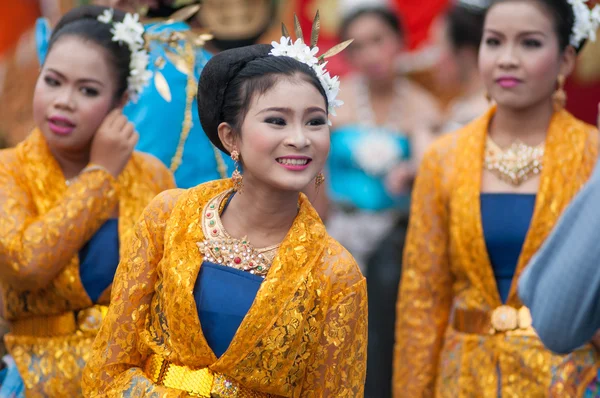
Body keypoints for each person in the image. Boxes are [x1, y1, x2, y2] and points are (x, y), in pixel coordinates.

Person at [82, 19, 367, 397]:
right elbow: (110, 364)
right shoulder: (168, 216)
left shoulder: (335, 274)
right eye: (277, 120)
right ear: (230, 136)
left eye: (315, 121)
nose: (299, 138)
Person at [392, 0, 600, 395]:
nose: (507, 59)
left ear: (566, 60)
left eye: (530, 43)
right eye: (494, 42)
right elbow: (423, 297)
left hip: (571, 379)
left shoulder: (594, 154)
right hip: (465, 379)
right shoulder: (444, 157)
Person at [0, 5, 175, 396]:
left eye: (88, 90)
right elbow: (26, 264)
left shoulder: (151, 176)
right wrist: (100, 175)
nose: (64, 101)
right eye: (53, 81)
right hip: (36, 381)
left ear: (122, 100)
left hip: (130, 382)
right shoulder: (8, 170)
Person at [324, 7, 438, 397]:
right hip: (338, 232)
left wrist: (413, 168)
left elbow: (431, 164)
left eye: (379, 40)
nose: (371, 54)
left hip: (395, 238)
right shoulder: (333, 102)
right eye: (359, 47)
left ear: (399, 42)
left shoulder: (423, 106)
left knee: (384, 332)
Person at [519, 102, 600, 396]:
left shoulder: (586, 147)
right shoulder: (450, 154)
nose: (508, 59)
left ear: (566, 60)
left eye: (531, 50)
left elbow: (556, 321)